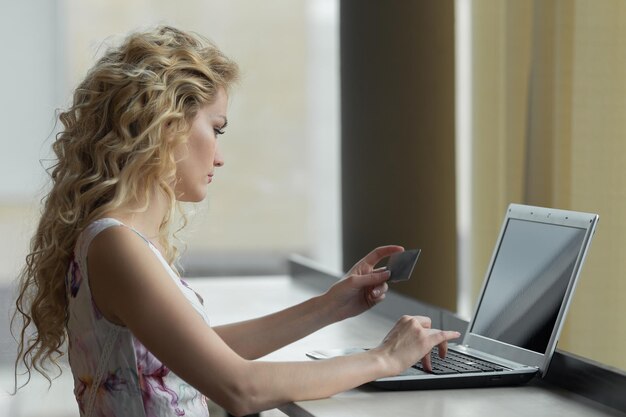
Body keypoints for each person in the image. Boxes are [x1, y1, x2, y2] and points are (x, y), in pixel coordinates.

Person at [13, 25, 460, 417]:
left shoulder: (114, 240)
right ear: (165, 123)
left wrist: (334, 304)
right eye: (217, 127)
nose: (221, 157)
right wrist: (385, 358)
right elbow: (238, 388)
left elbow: (198, 354)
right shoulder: (118, 247)